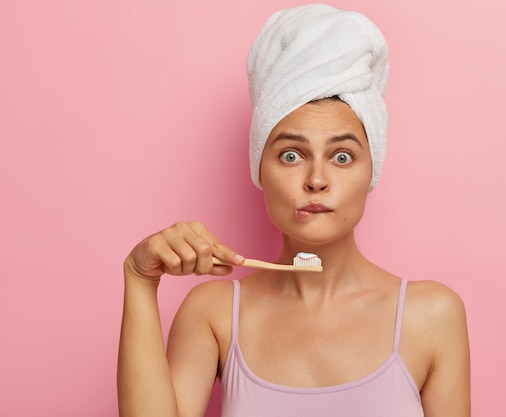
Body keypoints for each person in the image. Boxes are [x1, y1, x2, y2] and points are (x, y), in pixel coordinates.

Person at [117, 4, 470, 417]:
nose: (316, 179)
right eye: (290, 155)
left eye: (342, 157)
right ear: (259, 170)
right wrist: (139, 279)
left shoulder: (432, 314)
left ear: (372, 170)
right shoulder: (212, 314)